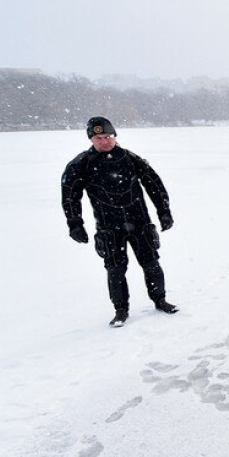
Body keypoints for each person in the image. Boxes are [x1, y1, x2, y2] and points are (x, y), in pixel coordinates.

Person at [62, 116, 179, 327]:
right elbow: (70, 197)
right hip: (109, 227)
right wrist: (75, 224)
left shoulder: (129, 158)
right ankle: (121, 310)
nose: (104, 141)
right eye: (98, 138)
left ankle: (160, 300)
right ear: (91, 139)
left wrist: (164, 211)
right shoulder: (81, 164)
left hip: (140, 222)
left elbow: (154, 184)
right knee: (115, 269)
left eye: (107, 136)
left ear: (114, 136)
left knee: (151, 263)